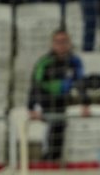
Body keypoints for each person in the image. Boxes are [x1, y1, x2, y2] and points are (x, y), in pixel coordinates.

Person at [28, 29, 91, 162]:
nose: (61, 45)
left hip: (63, 102)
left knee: (61, 128)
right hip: (46, 102)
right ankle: (48, 158)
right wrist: (32, 107)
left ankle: (56, 158)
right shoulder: (44, 62)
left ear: (69, 43)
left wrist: (85, 104)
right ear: (52, 44)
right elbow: (35, 85)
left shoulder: (75, 62)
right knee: (54, 128)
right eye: (58, 42)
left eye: (64, 41)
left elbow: (81, 83)